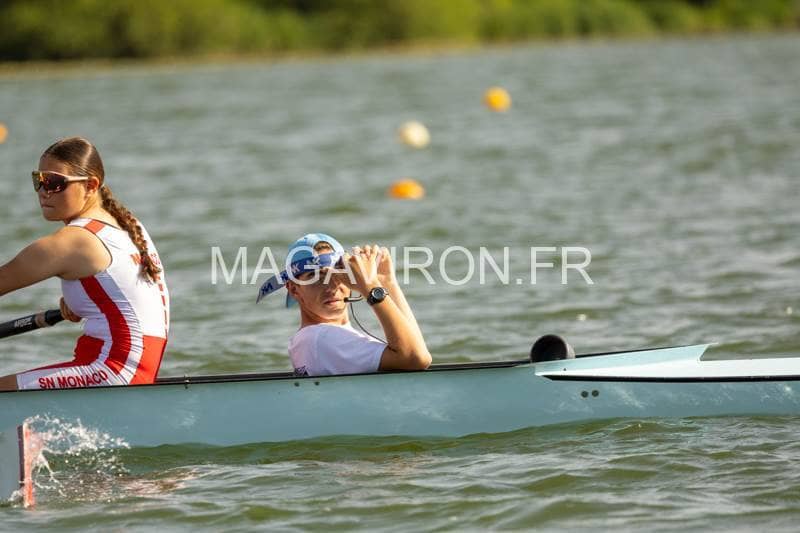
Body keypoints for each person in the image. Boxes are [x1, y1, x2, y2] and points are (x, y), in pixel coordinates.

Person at [0, 137, 170, 391]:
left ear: (91, 185)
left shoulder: (75, 241)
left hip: (113, 371)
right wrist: (82, 302)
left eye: (55, 182)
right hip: (134, 370)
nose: (43, 191)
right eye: (39, 180)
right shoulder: (124, 224)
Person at [257, 233, 431, 376]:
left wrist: (387, 282)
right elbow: (416, 358)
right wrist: (370, 286)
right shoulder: (321, 338)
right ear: (294, 289)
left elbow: (417, 349)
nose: (331, 286)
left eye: (339, 273)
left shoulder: (320, 337)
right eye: (315, 276)